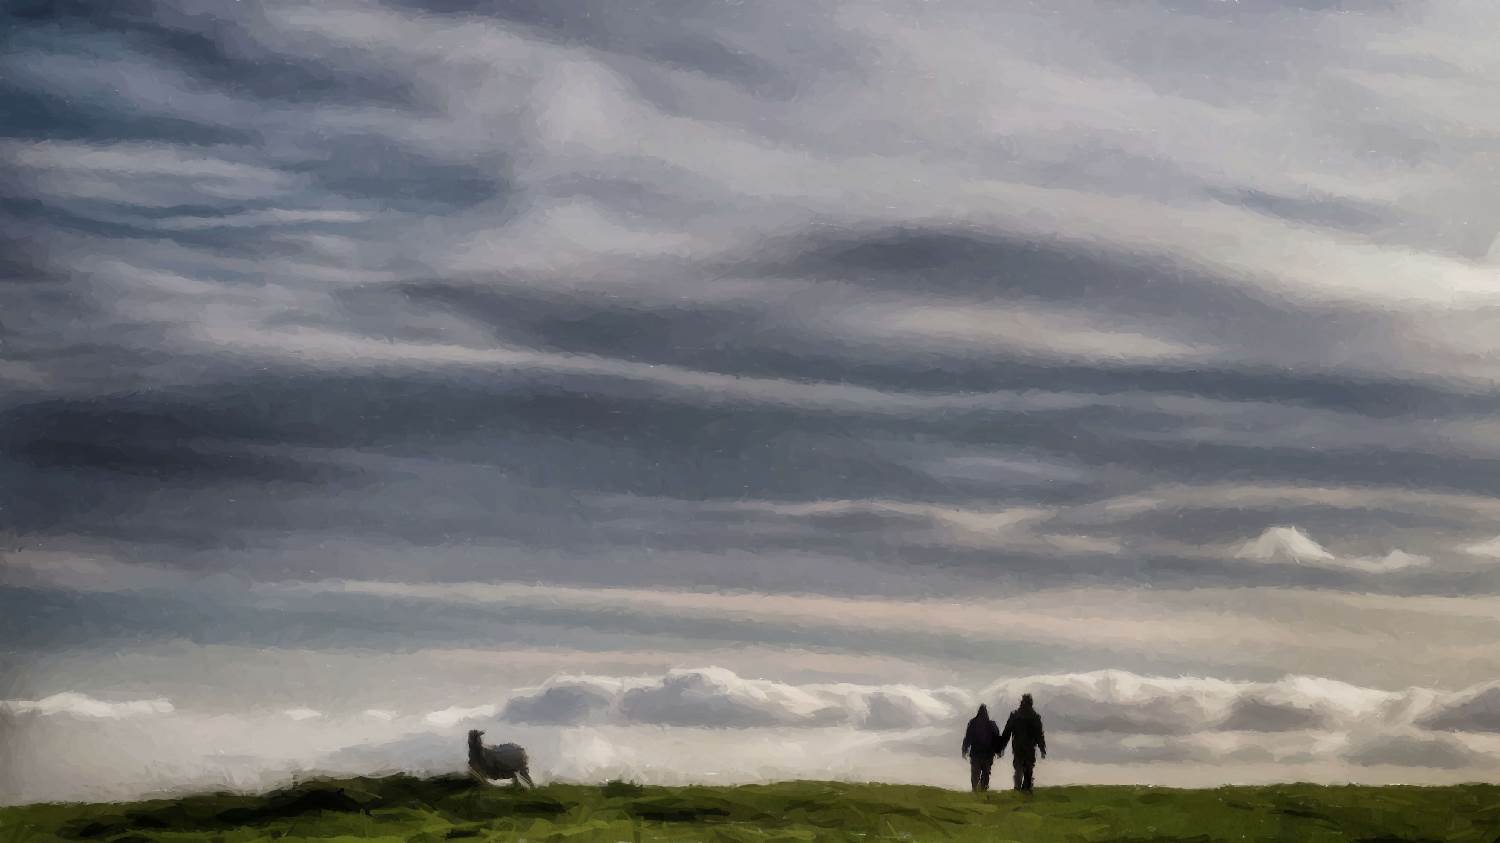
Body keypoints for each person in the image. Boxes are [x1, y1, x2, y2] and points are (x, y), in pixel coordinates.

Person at [997, 693, 1047, 792]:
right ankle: (1026, 789)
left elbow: (1007, 732)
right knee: (1028, 769)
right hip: (1029, 748)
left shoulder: (1015, 715)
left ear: (1021, 703)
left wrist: (1001, 747)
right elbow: (1039, 735)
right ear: (1031, 703)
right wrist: (1042, 749)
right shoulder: (1035, 717)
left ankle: (1017, 787)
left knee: (1018, 768)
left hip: (1018, 747)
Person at [960, 704, 1002, 792]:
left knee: (975, 773)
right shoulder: (991, 724)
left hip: (976, 754)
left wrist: (965, 749)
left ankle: (975, 789)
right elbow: (996, 739)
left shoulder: (973, 723)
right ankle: (983, 789)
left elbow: (968, 737)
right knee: (986, 773)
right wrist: (998, 750)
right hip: (988, 754)